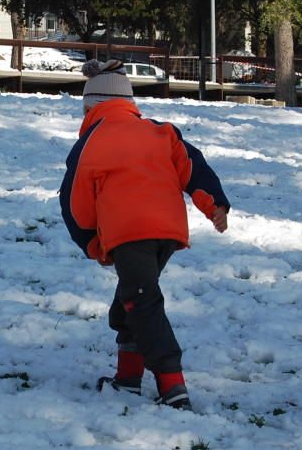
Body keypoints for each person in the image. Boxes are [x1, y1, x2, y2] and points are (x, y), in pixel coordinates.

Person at [59, 59, 230, 410]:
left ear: (90, 107)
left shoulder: (92, 142)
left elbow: (75, 202)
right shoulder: (161, 131)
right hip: (167, 232)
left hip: (128, 233)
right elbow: (194, 167)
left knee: (142, 303)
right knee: (131, 300)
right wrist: (214, 204)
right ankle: (127, 380)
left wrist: (92, 241)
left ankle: (173, 385)